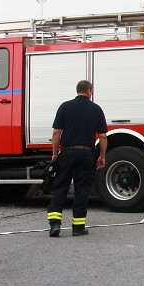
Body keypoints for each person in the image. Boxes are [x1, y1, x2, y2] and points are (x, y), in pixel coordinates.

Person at [47, 80, 108, 237]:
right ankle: (78, 227)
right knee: (82, 188)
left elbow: (56, 133)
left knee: (61, 186)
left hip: (67, 152)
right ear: (89, 91)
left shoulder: (65, 107)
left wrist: (55, 153)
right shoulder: (96, 109)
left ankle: (55, 224)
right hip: (86, 153)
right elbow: (102, 136)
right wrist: (102, 156)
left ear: (77, 90)